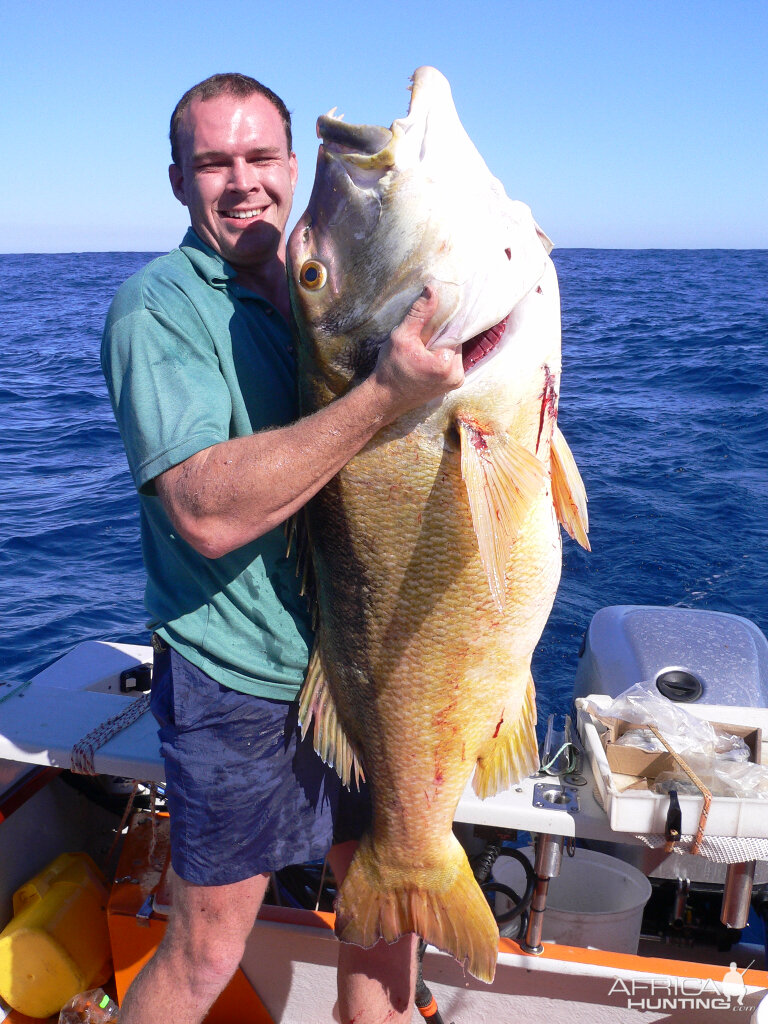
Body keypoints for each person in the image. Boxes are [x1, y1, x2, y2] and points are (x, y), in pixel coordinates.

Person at [101, 72, 463, 1024]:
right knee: (206, 949)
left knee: (388, 920)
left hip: (365, 673)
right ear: (178, 181)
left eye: (261, 157)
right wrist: (384, 394)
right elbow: (205, 511)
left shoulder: (324, 288)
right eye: (213, 162)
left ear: (293, 168)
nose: (242, 181)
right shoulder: (160, 309)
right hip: (238, 683)